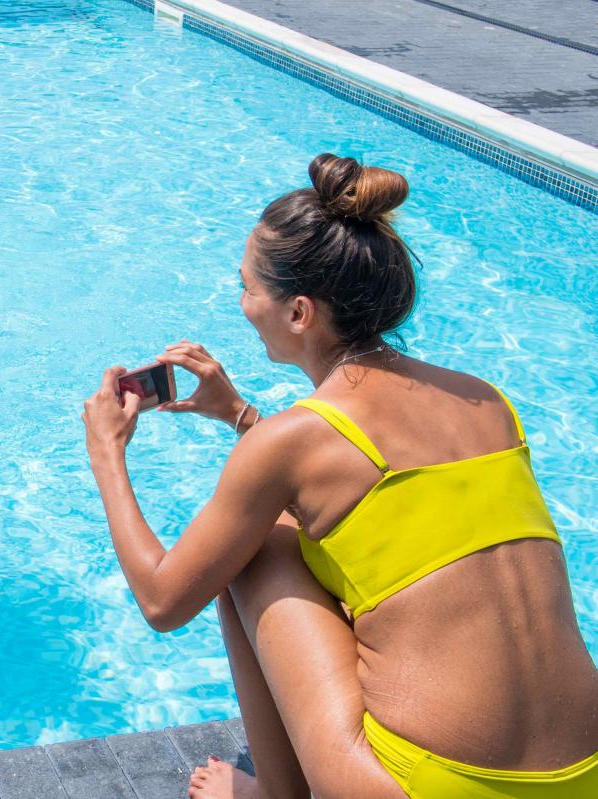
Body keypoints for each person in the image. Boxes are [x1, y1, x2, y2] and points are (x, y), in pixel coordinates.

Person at [82, 154, 598, 798]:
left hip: (434, 786)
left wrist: (107, 452)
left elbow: (164, 602)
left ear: (299, 313)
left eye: (246, 287)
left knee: (253, 547)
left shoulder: (292, 441)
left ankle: (275, 793)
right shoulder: (486, 400)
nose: (242, 304)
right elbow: (366, 498)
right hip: (582, 774)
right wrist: (242, 416)